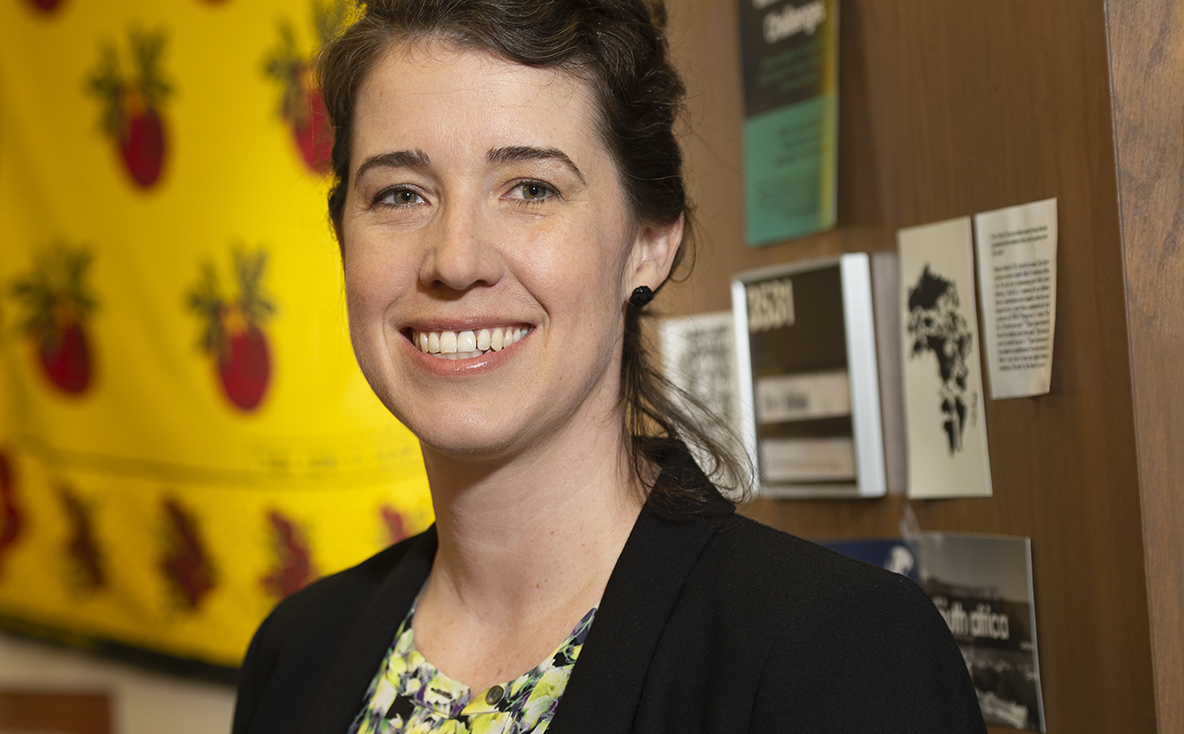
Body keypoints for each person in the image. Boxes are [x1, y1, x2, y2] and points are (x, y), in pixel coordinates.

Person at [232, 0, 984, 732]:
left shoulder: (832, 651)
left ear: (649, 243)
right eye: (400, 193)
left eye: (530, 188)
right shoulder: (296, 651)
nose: (454, 259)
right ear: (343, 239)